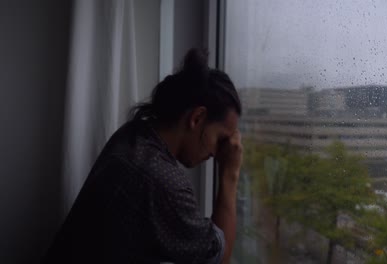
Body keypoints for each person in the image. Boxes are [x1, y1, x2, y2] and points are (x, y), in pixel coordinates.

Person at [43, 49, 242, 264]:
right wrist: (230, 175)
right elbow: (219, 259)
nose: (216, 154)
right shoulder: (163, 183)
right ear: (197, 117)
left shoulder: (134, 133)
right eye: (221, 140)